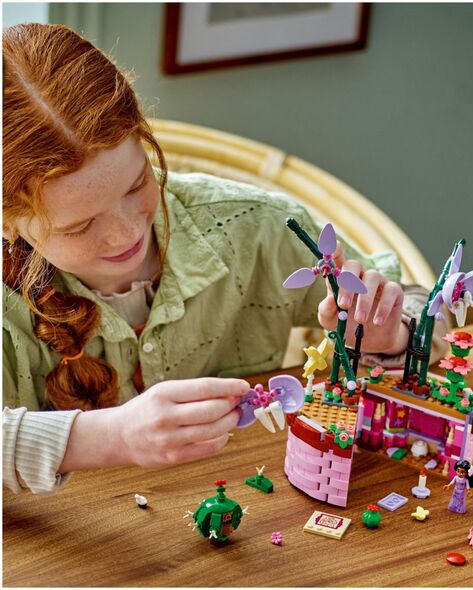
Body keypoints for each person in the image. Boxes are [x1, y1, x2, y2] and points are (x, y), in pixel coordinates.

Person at [3, 23, 448, 495]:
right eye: (79, 226)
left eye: (136, 185)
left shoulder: (253, 226)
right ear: (9, 224)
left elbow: (423, 307)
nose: (127, 232)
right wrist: (108, 438)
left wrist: (390, 335)